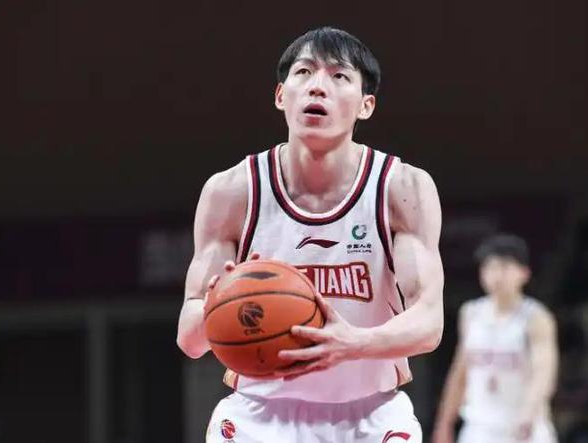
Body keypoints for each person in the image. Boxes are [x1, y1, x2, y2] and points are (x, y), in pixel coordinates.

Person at [177, 26, 444, 443]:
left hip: (370, 416)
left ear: (366, 105)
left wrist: (354, 342)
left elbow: (429, 324)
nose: (318, 86)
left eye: (339, 76)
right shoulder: (232, 192)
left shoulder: (401, 188)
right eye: (304, 72)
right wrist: (218, 304)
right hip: (258, 417)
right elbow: (190, 340)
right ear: (281, 95)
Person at [432, 234, 559, 443]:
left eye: (504, 267)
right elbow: (460, 372)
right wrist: (444, 422)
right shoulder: (471, 313)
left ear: (524, 273)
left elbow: (543, 373)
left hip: (523, 427)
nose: (497, 275)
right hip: (480, 428)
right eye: (490, 268)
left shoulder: (536, 318)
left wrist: (528, 414)